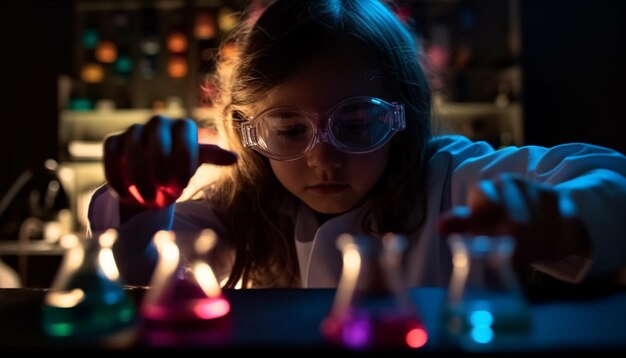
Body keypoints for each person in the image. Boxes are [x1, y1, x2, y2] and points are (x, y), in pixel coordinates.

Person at [88, 0, 626, 289]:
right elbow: (140, 271)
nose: (323, 157)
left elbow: (613, 177)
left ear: (404, 116)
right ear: (248, 129)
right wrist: (140, 209)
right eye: (290, 129)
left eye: (357, 123)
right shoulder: (237, 209)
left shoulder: (451, 179)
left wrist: (562, 214)